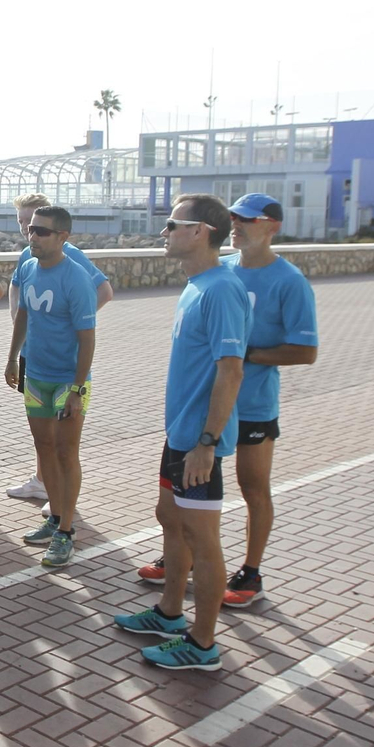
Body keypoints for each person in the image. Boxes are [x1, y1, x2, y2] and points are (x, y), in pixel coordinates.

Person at [113, 194, 248, 672]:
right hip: (182, 435)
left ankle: (203, 644)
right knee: (168, 515)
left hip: (198, 443)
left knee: (203, 538)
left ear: (201, 232)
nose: (164, 231)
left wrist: (206, 445)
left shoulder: (221, 290)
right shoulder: (198, 285)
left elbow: (230, 371)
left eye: (173, 224)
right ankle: (170, 613)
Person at [173, 193, 314, 607]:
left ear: (272, 226)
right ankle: (181, 559)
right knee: (189, 495)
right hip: (207, 408)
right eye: (233, 219)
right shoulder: (220, 270)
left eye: (248, 220)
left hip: (252, 405)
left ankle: (251, 572)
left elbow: (305, 351)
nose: (237, 226)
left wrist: (243, 355)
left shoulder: (289, 281)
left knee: (253, 487)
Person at [4, 205, 97, 569]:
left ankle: (66, 532)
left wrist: (77, 389)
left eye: (42, 231)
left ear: (63, 237)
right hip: (36, 375)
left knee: (64, 452)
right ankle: (55, 518)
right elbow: (23, 314)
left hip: (68, 381)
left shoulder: (75, 279)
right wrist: (12, 357)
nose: (33, 236)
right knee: (44, 448)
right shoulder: (27, 266)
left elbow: (87, 340)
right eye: (30, 229)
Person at [6, 193, 113, 500]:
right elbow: (19, 291)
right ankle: (44, 486)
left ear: (60, 234)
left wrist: (70, 321)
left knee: (63, 444)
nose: (29, 231)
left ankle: (63, 512)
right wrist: (21, 330)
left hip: (66, 370)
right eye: (24, 223)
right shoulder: (29, 258)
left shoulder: (71, 257)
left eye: (36, 225)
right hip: (33, 358)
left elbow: (104, 291)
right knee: (44, 439)